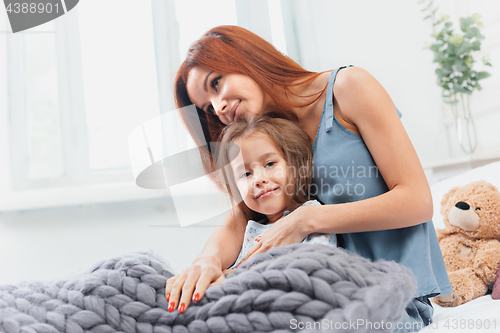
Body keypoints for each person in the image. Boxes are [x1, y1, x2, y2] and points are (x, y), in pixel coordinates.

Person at [166, 25, 452, 331]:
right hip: (313, 296)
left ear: (246, 56)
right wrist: (207, 260)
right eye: (208, 107)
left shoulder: (349, 87)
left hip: (386, 298)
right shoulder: (269, 134)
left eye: (217, 82)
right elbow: (239, 218)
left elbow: (417, 200)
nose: (219, 106)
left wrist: (305, 220)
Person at [215, 115, 337, 272]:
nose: (258, 179)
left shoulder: (313, 215)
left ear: (295, 165)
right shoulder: (247, 232)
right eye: (246, 174)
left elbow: (315, 266)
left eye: (270, 164)